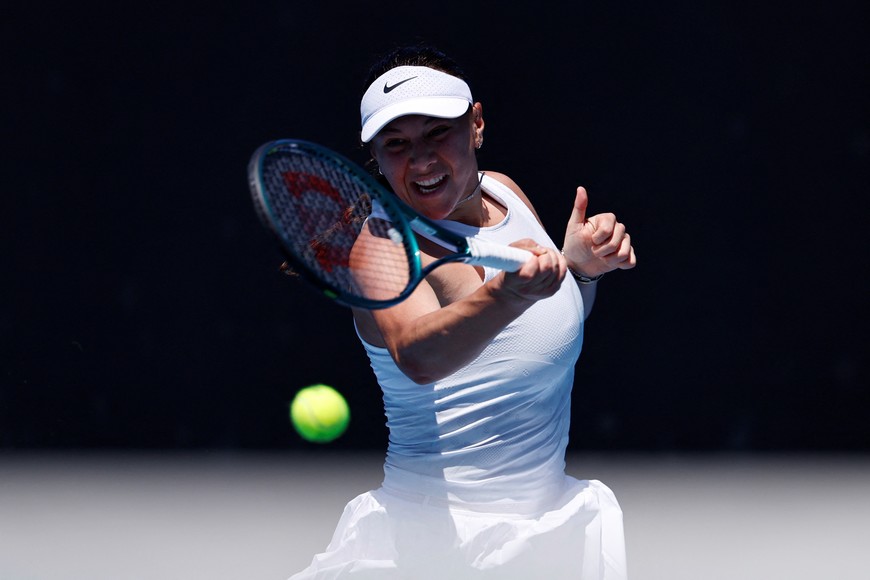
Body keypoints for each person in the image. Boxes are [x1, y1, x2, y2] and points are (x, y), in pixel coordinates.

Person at [289, 44, 636, 580]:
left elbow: (533, 340)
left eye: (436, 133)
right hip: (431, 550)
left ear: (475, 123)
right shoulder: (384, 244)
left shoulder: (505, 193)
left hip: (544, 538)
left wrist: (581, 270)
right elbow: (417, 354)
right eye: (397, 144)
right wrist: (503, 296)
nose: (421, 160)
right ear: (376, 159)